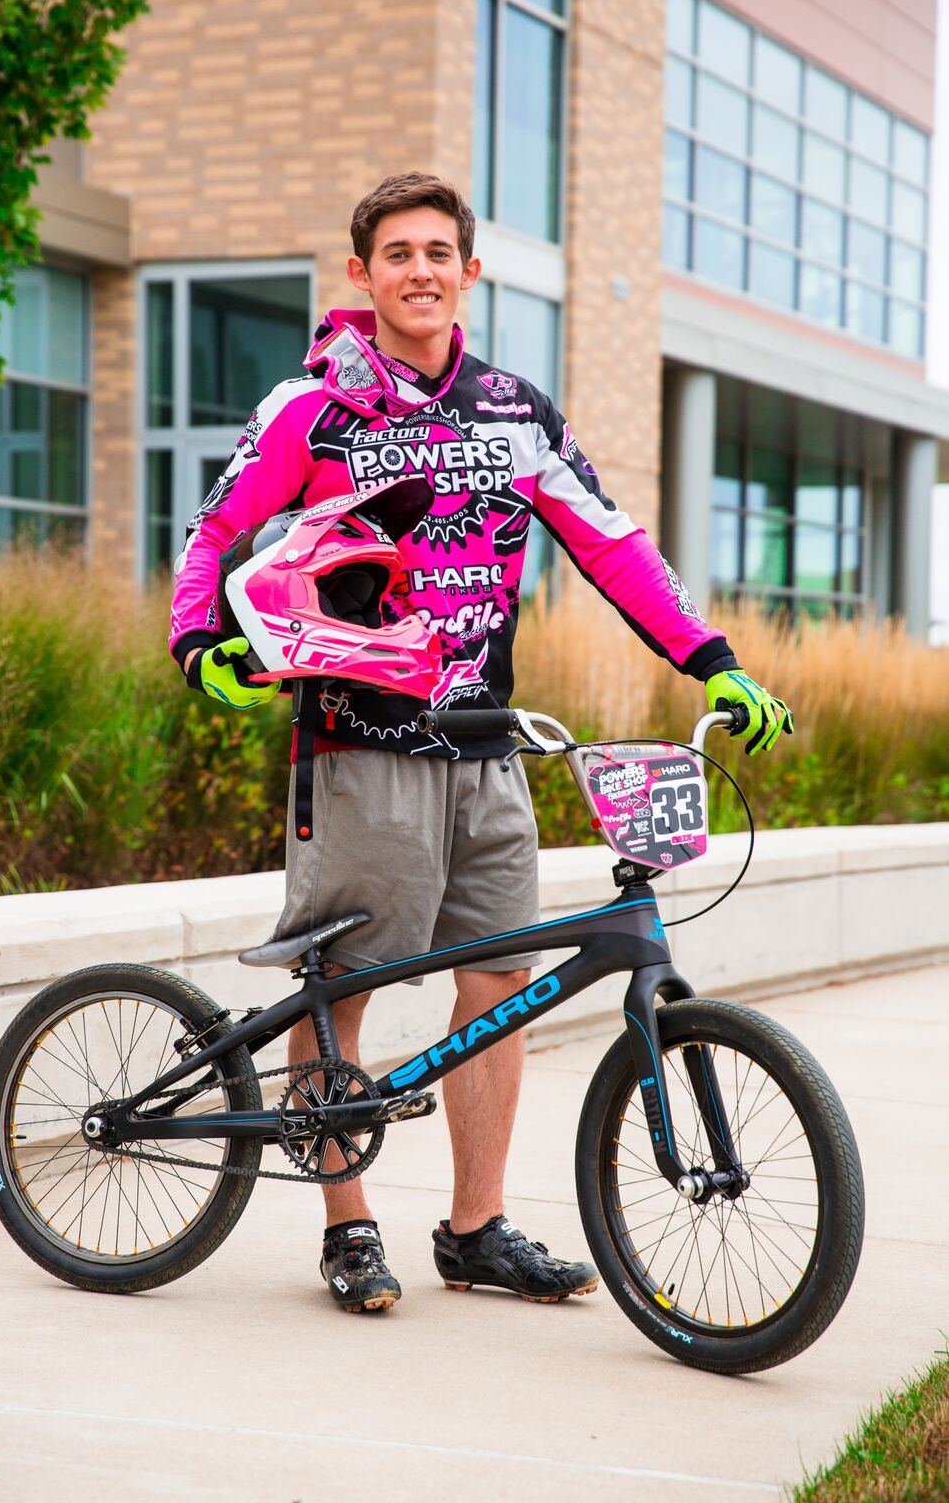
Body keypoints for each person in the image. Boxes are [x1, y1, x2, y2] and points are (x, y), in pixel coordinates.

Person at [169, 171, 793, 1314]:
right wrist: (197, 640)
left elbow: (610, 543)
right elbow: (215, 528)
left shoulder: (514, 410)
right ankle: (346, 1226)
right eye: (394, 253)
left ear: (467, 271)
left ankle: (475, 1229)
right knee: (338, 989)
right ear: (360, 273)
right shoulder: (311, 408)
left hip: (487, 747)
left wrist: (710, 657)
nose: (417, 271)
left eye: (435, 253)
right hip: (359, 745)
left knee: (497, 983)